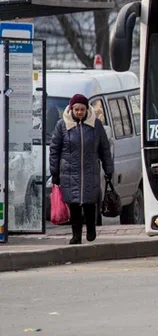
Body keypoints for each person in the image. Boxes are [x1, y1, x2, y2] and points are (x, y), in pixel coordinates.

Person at [49, 93, 114, 245]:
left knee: (90, 203)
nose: (79, 112)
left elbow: (104, 149)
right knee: (74, 204)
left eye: (82, 109)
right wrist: (55, 172)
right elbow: (54, 150)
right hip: (69, 172)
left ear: (87, 110)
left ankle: (91, 229)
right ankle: (76, 235)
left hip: (90, 171)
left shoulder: (95, 125)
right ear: (71, 109)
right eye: (76, 109)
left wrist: (108, 169)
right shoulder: (62, 125)